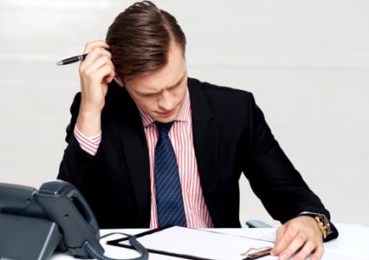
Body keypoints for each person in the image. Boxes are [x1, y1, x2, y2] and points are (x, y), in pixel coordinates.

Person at [58, 1, 338, 259]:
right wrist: (91, 109)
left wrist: (307, 220)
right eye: (149, 93)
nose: (167, 103)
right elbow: (66, 214)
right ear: (118, 78)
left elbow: (292, 195)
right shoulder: (100, 111)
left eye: (176, 83)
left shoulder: (235, 111)